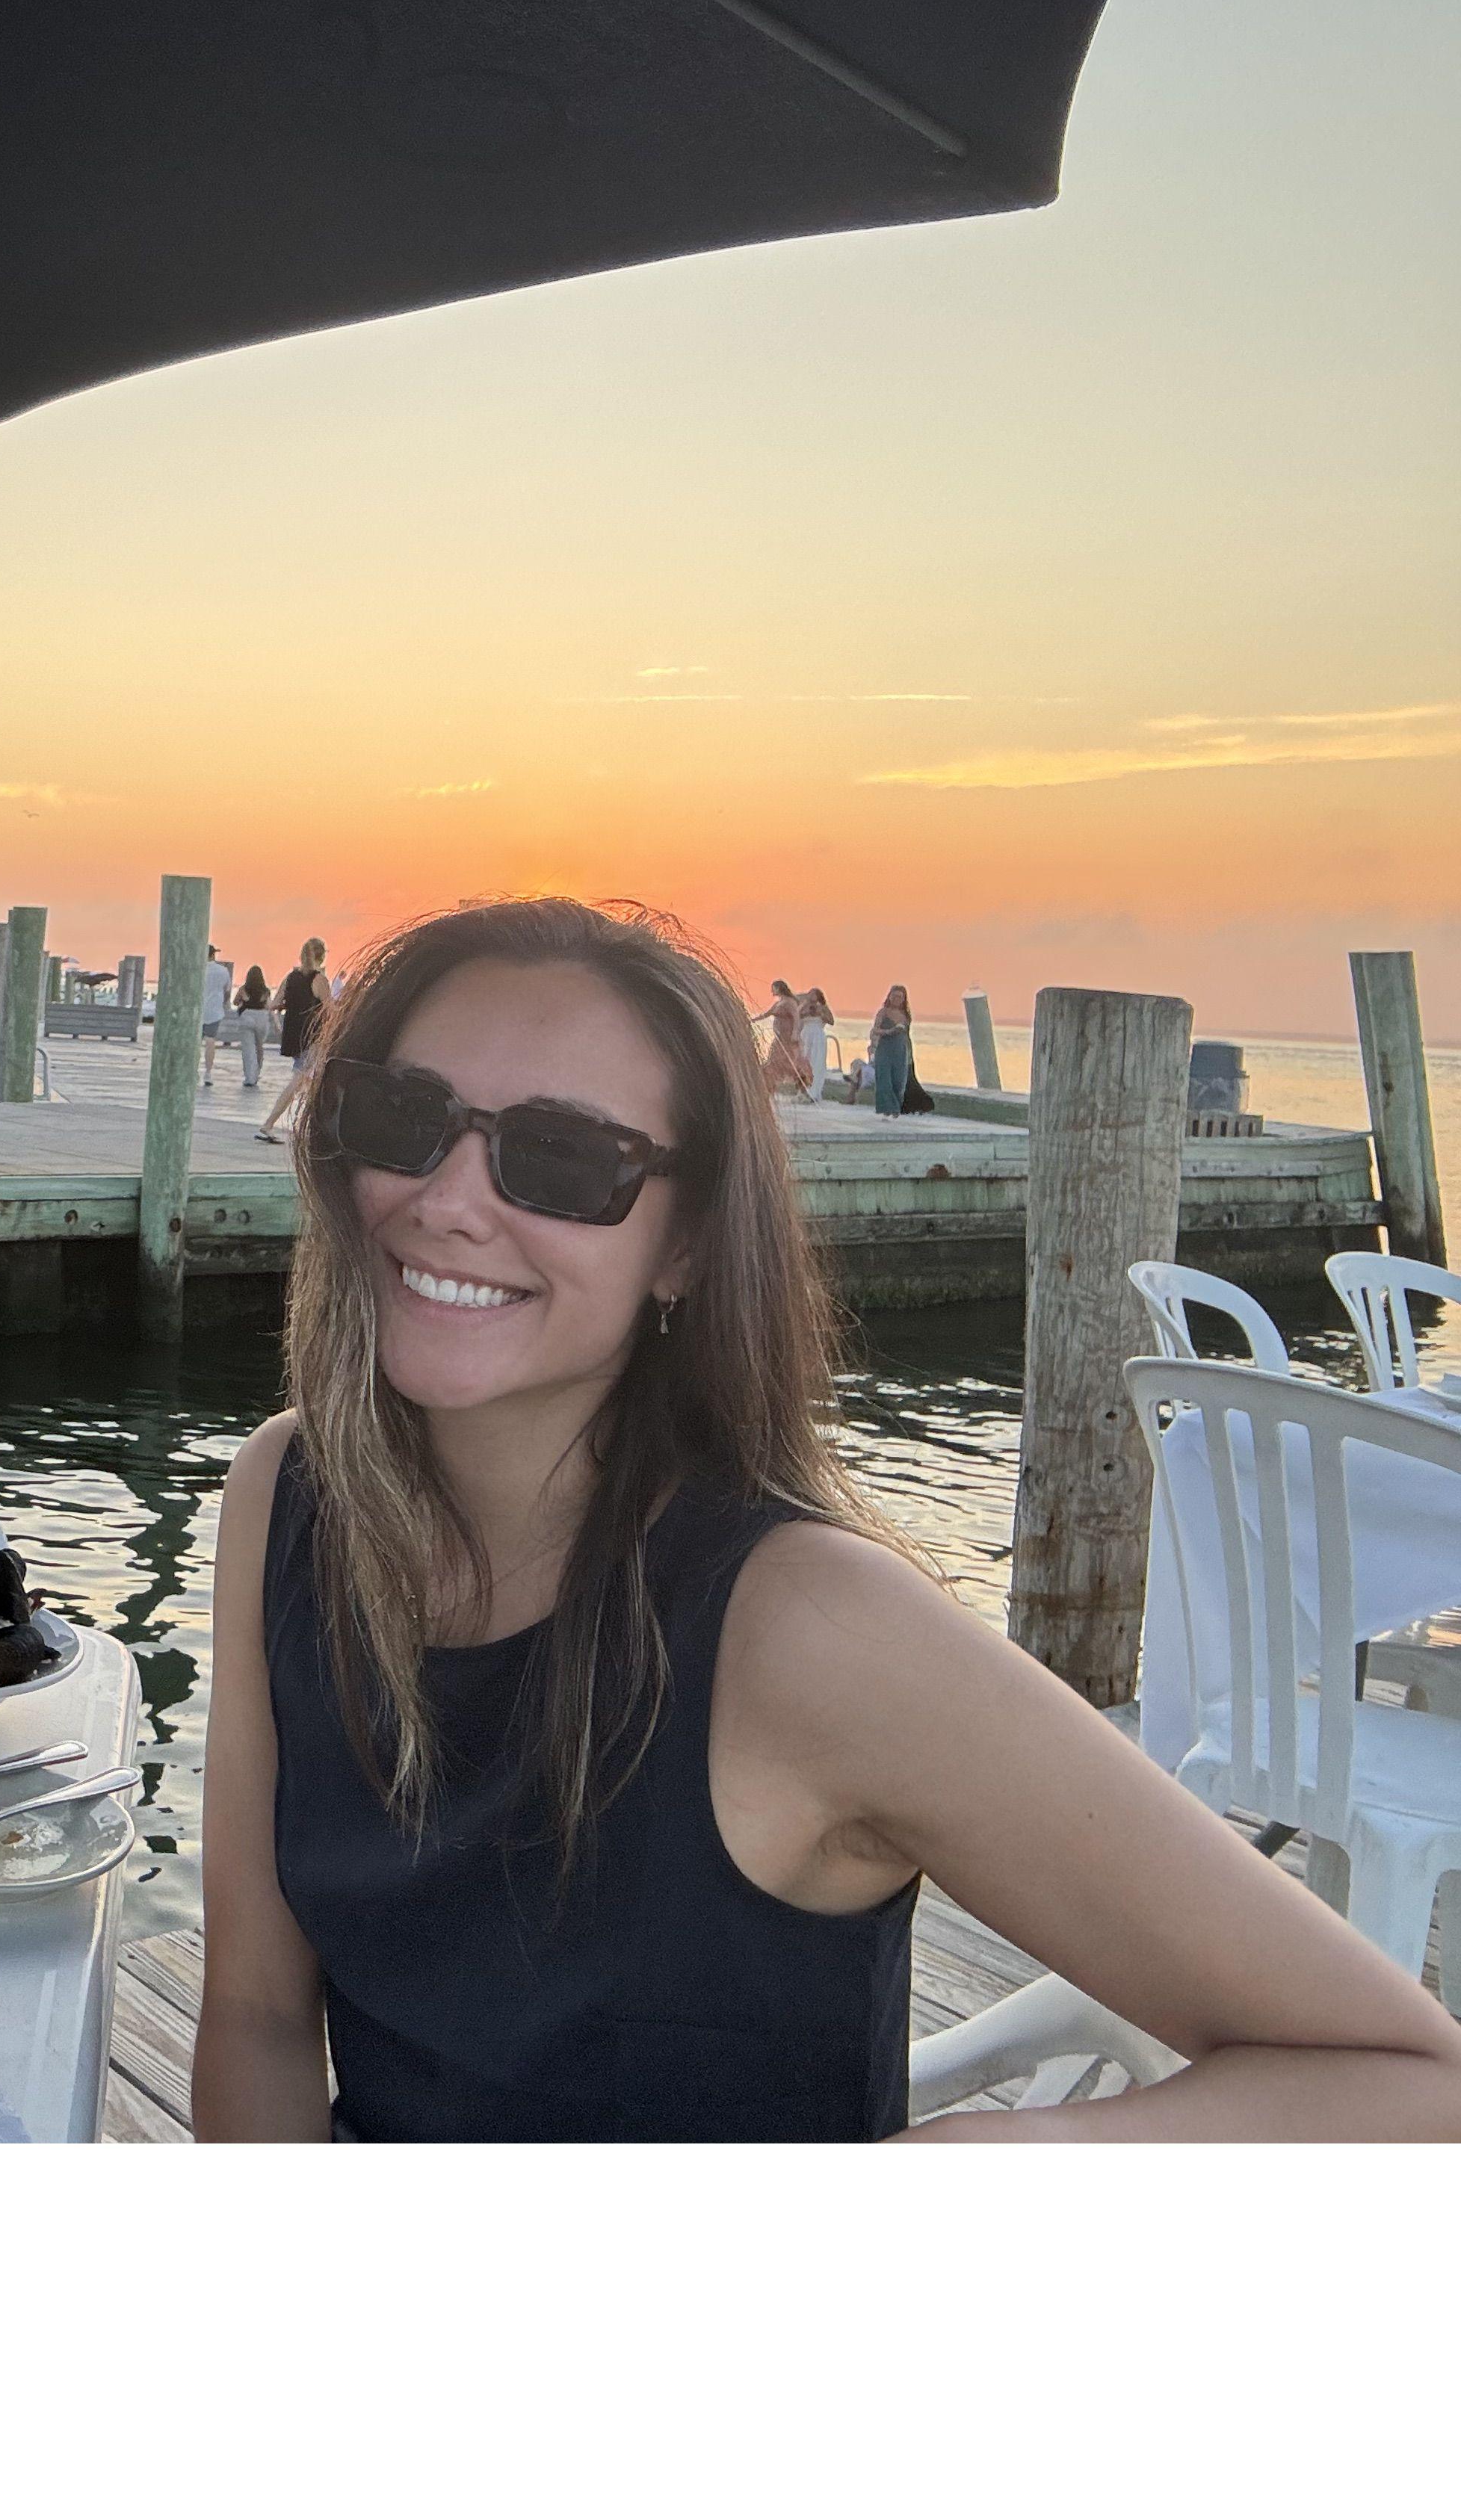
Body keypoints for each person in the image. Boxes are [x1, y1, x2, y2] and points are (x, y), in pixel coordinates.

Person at [191, 896, 1461, 2141]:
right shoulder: (290, 1495)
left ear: (686, 1246)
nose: (449, 1200)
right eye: (403, 1118)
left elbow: (1409, 2081)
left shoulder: (808, 1629)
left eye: (562, 1158)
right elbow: (255, 2014)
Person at [258, 938, 333, 1142]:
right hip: (312, 1036)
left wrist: (290, 1005)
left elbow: (274, 1005)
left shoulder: (291, 977)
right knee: (299, 1079)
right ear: (322, 957)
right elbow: (330, 1010)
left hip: (293, 1035)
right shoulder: (319, 980)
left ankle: (315, 1126)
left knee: (310, 1081)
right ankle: (268, 1124)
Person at [868, 982, 933, 1115]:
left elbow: (907, 1036)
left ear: (904, 999)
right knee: (884, 1081)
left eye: (900, 997)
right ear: (889, 997)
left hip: (901, 1051)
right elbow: (875, 1030)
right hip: (885, 1049)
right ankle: (887, 1109)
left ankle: (896, 1108)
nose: (896, 999)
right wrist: (888, 1032)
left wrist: (909, 1054)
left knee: (899, 1081)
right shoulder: (883, 1012)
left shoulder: (905, 1015)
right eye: (894, 996)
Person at [758, 979, 811, 1099]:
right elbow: (766, 1014)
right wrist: (751, 1020)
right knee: (774, 1063)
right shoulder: (779, 1003)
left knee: (790, 1063)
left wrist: (795, 1034)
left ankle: (803, 1087)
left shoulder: (789, 1002)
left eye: (774, 988)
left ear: (779, 988)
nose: (772, 991)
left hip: (788, 1038)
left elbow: (796, 1019)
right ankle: (770, 1089)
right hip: (780, 1038)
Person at [197, 945, 236, 1087]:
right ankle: (208, 1073)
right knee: (210, 1041)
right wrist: (223, 1003)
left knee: (195, 1042)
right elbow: (227, 991)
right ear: (213, 955)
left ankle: (193, 1071)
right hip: (214, 1011)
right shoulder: (223, 971)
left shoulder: (197, 969)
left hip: (197, 1011)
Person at [233, 963, 273, 1092]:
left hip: (247, 1017)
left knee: (248, 1049)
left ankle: (249, 1078)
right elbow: (268, 1006)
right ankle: (257, 1073)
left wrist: (242, 1002)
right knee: (259, 1047)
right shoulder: (266, 991)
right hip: (262, 1018)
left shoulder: (243, 989)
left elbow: (235, 1002)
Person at [796, 985, 832, 1101]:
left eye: (813, 994)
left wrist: (821, 1013)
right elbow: (797, 1017)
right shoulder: (803, 1006)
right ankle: (803, 1091)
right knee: (805, 1062)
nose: (811, 996)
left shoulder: (823, 1008)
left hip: (817, 1036)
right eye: (810, 994)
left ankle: (814, 1092)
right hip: (806, 1035)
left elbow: (831, 1021)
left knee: (817, 1062)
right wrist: (805, 1009)